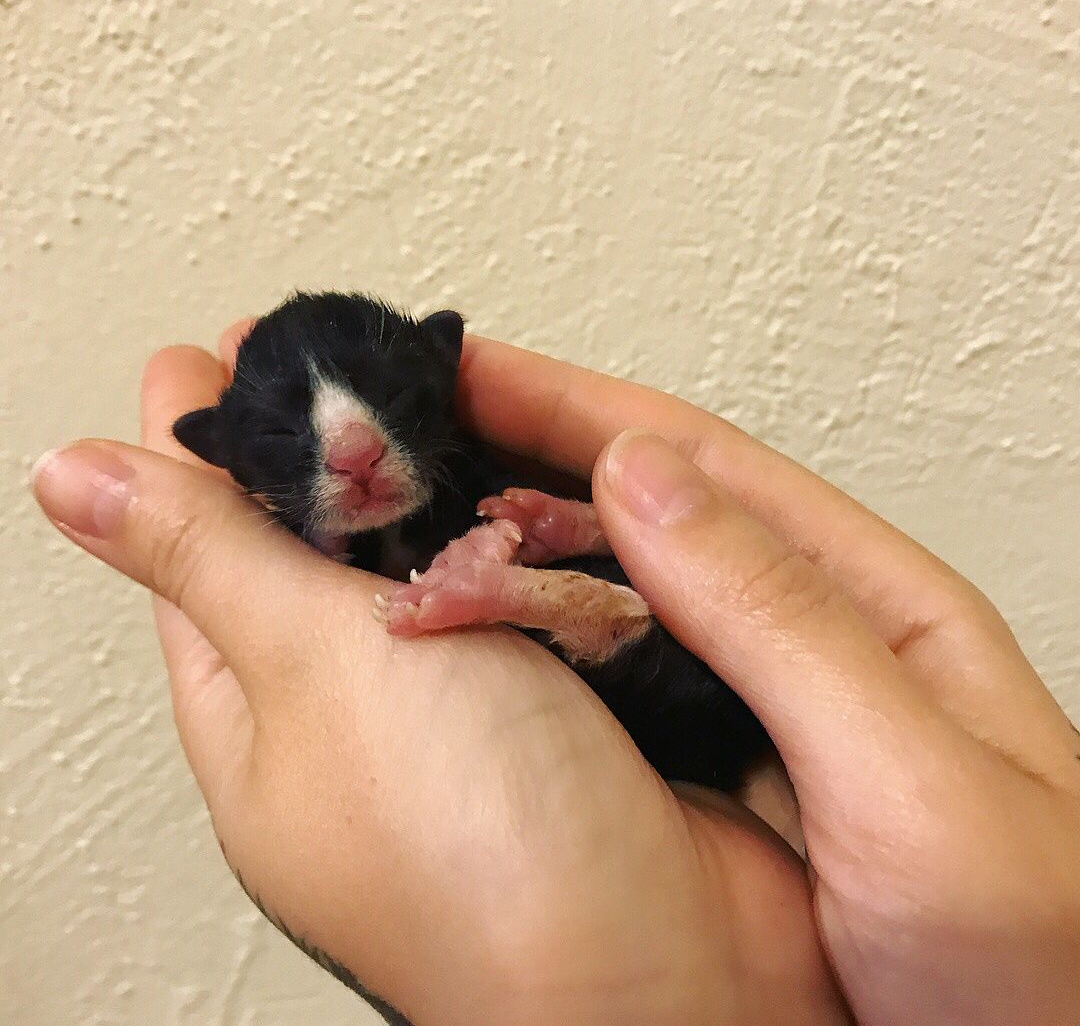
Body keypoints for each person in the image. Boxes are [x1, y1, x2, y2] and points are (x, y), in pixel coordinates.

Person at [31, 321, 1080, 1026]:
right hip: (689, 795)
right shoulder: (334, 554)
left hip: (694, 711)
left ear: (437, 380)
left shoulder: (482, 492)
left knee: (636, 603)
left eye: (382, 398)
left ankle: (556, 570)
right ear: (228, 456)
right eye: (279, 436)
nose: (348, 447)